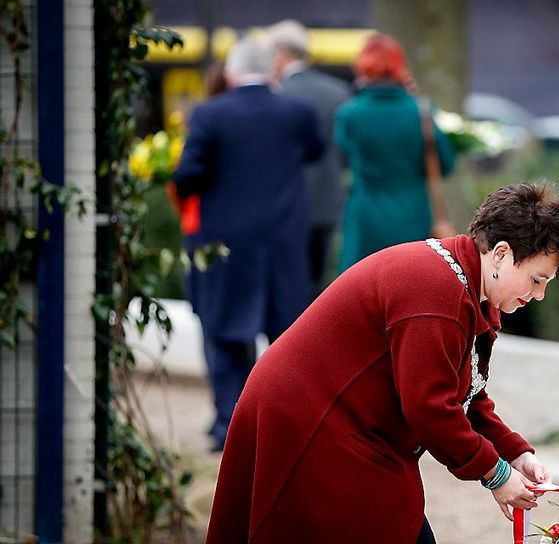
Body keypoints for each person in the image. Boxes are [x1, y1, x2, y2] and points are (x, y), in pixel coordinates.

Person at [197, 182, 559, 544]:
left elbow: (467, 395)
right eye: (537, 279)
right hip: (312, 420)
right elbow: (429, 409)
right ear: (500, 255)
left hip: (342, 422)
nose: (537, 295)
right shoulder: (437, 292)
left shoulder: (466, 287)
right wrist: (495, 475)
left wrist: (515, 452)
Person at [172, 34, 324, 452]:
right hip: (282, 241)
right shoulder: (297, 112)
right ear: (274, 70)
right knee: (290, 338)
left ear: (233, 71)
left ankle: (229, 426)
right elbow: (316, 150)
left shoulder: (209, 114)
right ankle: (289, 426)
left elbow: (188, 175)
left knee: (223, 335)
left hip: (224, 243)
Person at [334, 33, 457, 273]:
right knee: (411, 281)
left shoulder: (349, 114)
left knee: (361, 284)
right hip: (413, 212)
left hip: (367, 213)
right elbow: (445, 163)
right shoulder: (420, 110)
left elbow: (344, 154)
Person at [266, 20, 352, 291]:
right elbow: (345, 149)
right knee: (317, 283)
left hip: (286, 203)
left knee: (287, 286)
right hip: (328, 201)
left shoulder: (277, 94)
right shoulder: (338, 91)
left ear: (280, 55)